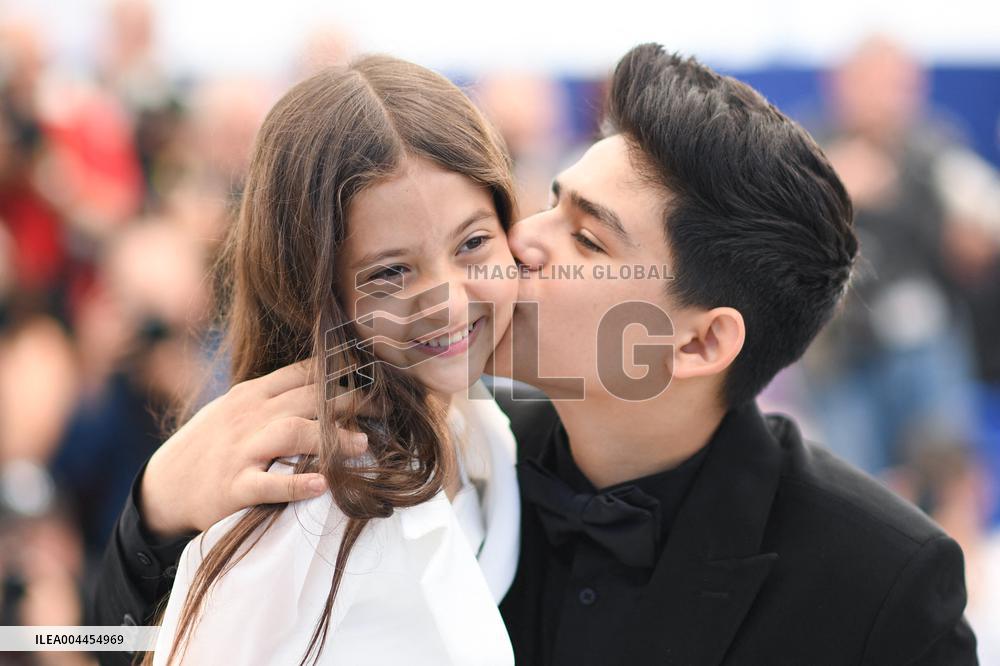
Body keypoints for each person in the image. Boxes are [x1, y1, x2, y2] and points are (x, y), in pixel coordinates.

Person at [92, 44, 978, 665]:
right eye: (547, 200)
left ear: (703, 338)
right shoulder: (430, 446)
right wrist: (156, 513)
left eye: (588, 241)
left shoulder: (883, 584)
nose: (521, 244)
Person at [108, 54, 525, 665]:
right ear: (311, 289)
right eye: (391, 273)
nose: (449, 302)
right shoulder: (307, 503)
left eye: (473, 243)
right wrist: (153, 508)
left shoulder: (486, 426)